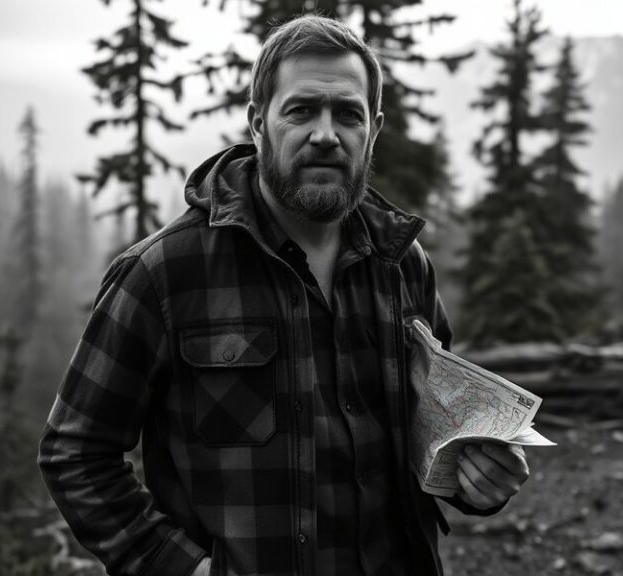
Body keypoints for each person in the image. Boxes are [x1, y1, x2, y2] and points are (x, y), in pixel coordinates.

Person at [38, 15, 530, 576]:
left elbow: (433, 438)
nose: (326, 133)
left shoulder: (402, 266)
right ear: (258, 123)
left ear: (373, 129)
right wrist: (179, 569)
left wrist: (477, 481)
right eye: (301, 110)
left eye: (348, 113)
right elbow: (74, 452)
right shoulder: (164, 273)